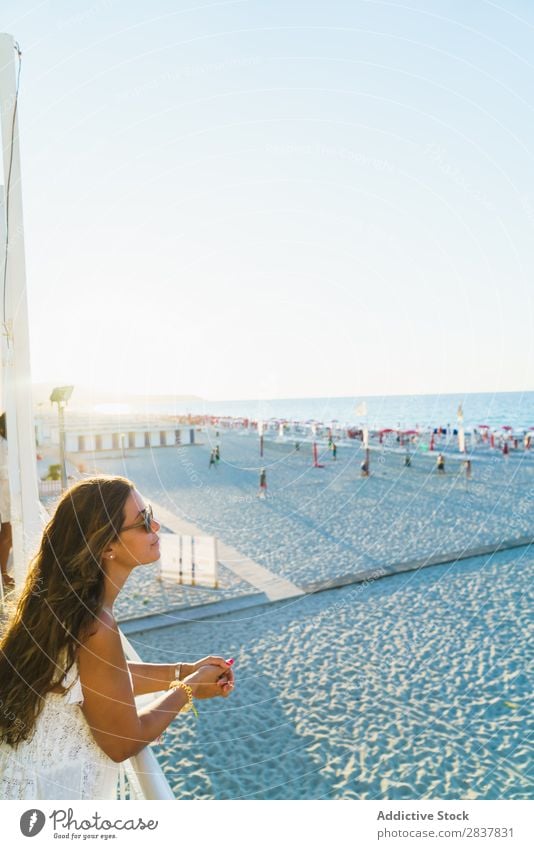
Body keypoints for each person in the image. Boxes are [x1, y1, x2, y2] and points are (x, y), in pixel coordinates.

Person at [0, 476, 234, 799]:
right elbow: (122, 742)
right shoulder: (95, 623)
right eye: (144, 522)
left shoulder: (70, 606)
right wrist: (188, 689)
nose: (156, 526)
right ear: (107, 546)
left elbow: (99, 681)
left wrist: (182, 671)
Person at [0, 413, 13, 591]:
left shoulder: (5, 443)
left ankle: (3, 573)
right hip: (4, 496)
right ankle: (3, 574)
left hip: (7, 496)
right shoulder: (3, 444)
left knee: (7, 536)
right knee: (7, 536)